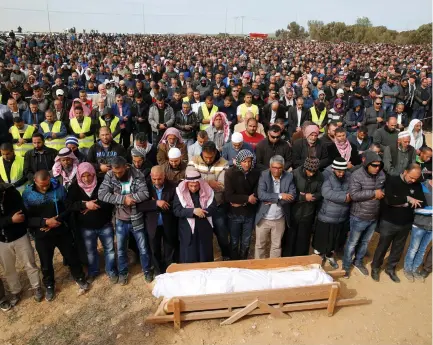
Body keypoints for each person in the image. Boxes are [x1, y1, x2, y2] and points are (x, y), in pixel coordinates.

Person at [22, 170, 89, 301]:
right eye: (43, 185)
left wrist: (58, 221)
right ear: (35, 181)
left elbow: (68, 208)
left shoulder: (59, 189)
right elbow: (27, 218)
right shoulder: (27, 194)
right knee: (46, 262)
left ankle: (79, 277)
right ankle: (49, 285)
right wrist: (45, 222)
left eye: (47, 183)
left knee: (71, 255)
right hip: (42, 233)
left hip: (61, 229)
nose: (46, 186)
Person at [98, 156, 153, 284]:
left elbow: (145, 193)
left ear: (126, 167)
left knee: (143, 248)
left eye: (120, 172)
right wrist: (123, 199)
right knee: (121, 249)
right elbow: (102, 194)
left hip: (136, 219)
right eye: (115, 172)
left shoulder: (137, 174)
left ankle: (147, 270)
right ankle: (123, 272)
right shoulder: (110, 175)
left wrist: (127, 198)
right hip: (120, 219)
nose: (117, 175)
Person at [371, 165, 426, 283]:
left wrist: (402, 202)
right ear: (405, 172)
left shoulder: (416, 184)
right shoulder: (392, 180)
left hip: (406, 223)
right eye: (411, 177)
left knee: (398, 248)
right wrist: (407, 199)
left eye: (415, 178)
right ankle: (375, 267)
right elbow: (389, 200)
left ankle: (390, 268)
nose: (413, 180)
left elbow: (421, 202)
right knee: (383, 246)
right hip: (389, 221)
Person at [66, 162, 117, 284]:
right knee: (90, 251)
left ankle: (111, 270)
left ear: (93, 173)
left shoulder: (102, 183)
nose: (87, 179)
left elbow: (110, 199)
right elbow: (69, 205)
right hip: (86, 227)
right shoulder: (74, 188)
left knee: (109, 249)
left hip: (104, 223)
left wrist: (95, 205)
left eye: (89, 175)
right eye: (83, 176)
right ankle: (93, 271)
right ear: (79, 176)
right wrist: (84, 204)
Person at [343, 151, 385, 278]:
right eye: (374, 165)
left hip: (373, 216)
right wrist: (373, 194)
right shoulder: (356, 175)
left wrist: (379, 193)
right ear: (367, 164)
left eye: (379, 165)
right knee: (352, 243)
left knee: (365, 242)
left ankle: (358, 261)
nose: (377, 168)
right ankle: (346, 266)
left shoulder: (381, 174)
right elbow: (354, 195)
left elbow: (383, 190)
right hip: (359, 216)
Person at [0, 183, 42, 305]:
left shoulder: (12, 192)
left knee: (30, 263)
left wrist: (8, 220)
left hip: (20, 235)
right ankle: (15, 291)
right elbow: (14, 218)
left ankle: (36, 286)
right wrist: (10, 220)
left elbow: (21, 215)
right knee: (8, 269)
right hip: (2, 240)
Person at [188, 141, 230, 259]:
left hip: (217, 205)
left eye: (210, 157)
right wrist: (210, 182)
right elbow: (190, 180)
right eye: (206, 157)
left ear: (215, 152)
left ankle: (226, 255)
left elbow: (222, 186)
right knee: (203, 236)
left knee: (222, 233)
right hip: (200, 206)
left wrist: (200, 180)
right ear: (202, 153)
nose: (208, 160)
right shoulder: (194, 160)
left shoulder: (224, 163)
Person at [137, 166, 178, 274]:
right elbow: (140, 206)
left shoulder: (173, 186)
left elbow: (176, 205)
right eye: (154, 179)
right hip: (152, 224)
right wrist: (156, 203)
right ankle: (158, 272)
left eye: (159, 179)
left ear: (164, 176)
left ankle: (169, 272)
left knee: (169, 249)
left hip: (168, 223)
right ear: (150, 176)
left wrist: (163, 204)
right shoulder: (145, 187)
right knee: (155, 250)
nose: (156, 181)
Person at [255, 155, 296, 258]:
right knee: (260, 246)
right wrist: (280, 196)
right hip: (264, 218)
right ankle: (259, 268)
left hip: (279, 218)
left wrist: (272, 200)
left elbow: (292, 196)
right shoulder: (264, 175)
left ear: (283, 167)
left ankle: (273, 269)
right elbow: (261, 195)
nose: (276, 170)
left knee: (276, 246)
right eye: (274, 167)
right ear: (270, 166)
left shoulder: (289, 176)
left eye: (279, 168)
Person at [312, 158, 351, 269]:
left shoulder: (349, 176)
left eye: (343, 171)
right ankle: (318, 258)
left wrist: (346, 195)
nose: (341, 173)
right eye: (339, 171)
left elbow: (352, 190)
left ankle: (329, 255)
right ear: (333, 169)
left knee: (334, 239)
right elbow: (327, 193)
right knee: (321, 238)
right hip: (326, 215)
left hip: (341, 215)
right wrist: (344, 197)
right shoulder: (326, 176)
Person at [173, 169, 217, 263]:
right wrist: (193, 211)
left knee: (205, 258)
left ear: (200, 183)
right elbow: (177, 210)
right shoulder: (180, 192)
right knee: (189, 259)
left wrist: (202, 212)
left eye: (196, 185)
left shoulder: (207, 190)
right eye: (191, 186)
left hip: (204, 227)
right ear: (186, 184)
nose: (193, 188)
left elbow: (213, 207)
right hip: (187, 230)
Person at [224, 150, 261, 260]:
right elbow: (229, 196)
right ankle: (234, 262)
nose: (247, 164)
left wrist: (242, 201)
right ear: (239, 161)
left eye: (249, 161)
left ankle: (243, 261)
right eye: (244, 161)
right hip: (234, 214)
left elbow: (256, 194)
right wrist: (247, 198)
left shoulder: (255, 173)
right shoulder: (230, 173)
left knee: (246, 241)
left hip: (249, 213)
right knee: (234, 241)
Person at [286, 157, 323, 256]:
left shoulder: (320, 176)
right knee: (290, 238)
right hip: (294, 211)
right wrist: (303, 197)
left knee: (303, 238)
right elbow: (289, 193)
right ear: (305, 168)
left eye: (314, 171)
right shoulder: (294, 174)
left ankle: (301, 258)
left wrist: (313, 196)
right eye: (309, 171)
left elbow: (321, 192)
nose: (311, 174)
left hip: (308, 212)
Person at [403, 178, 432, 282]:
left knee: (422, 250)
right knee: (413, 248)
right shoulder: (421, 186)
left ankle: (415, 269)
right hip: (419, 224)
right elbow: (414, 206)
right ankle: (407, 269)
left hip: (431, 227)